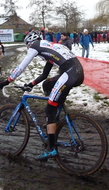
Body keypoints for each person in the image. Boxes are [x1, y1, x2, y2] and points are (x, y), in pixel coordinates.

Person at [0, 31, 84, 160]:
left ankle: (51, 149)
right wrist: (31, 84)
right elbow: (45, 74)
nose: (29, 49)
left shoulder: (36, 46)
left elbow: (21, 67)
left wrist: (6, 81)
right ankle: (53, 119)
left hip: (69, 73)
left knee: (49, 108)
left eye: (27, 46)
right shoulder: (50, 47)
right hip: (77, 72)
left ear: (30, 43)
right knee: (47, 85)